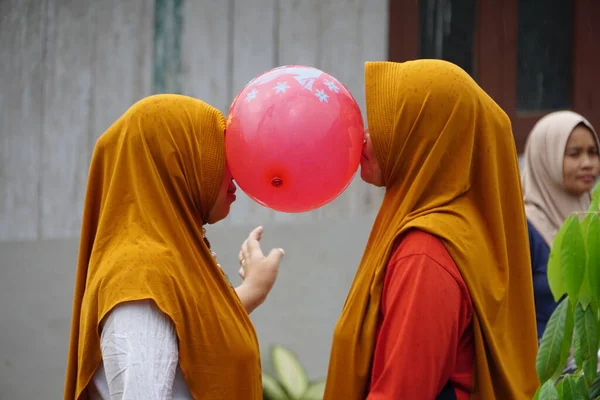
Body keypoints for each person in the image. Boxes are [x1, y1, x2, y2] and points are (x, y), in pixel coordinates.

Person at [323, 59, 539, 399]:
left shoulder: (426, 252)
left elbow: (401, 392)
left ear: (424, 136)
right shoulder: (463, 230)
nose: (366, 135)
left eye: (386, 122)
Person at [63, 94, 284, 400]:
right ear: (178, 158)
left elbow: (192, 346)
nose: (236, 169)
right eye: (219, 150)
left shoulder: (163, 265)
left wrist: (251, 291)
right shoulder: (142, 277)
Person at [521, 111, 600, 340]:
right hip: (545, 368)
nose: (587, 164)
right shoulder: (525, 227)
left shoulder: (593, 216)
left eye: (593, 153)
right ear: (545, 157)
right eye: (574, 154)